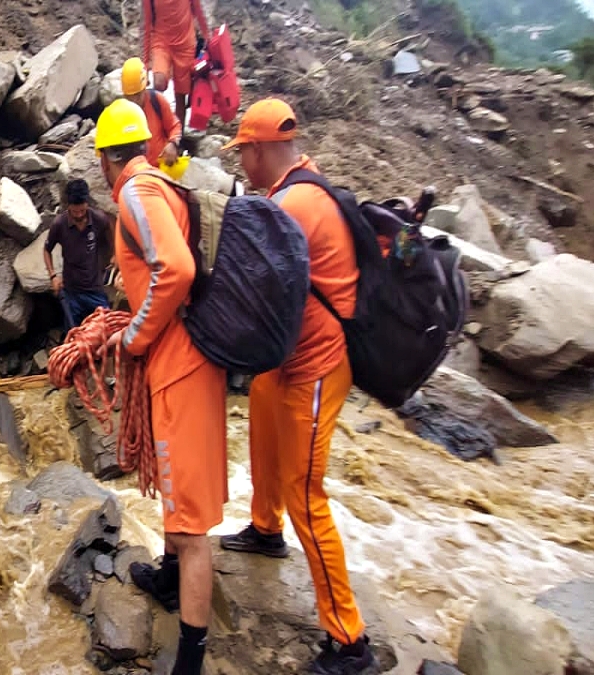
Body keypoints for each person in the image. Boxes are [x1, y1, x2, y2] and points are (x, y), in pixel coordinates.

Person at [219, 98, 378, 675]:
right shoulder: (299, 188)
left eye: (243, 154)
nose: (242, 165)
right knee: (260, 411)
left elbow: (245, 282)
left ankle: (349, 640)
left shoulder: (292, 203)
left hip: (315, 364)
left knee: (306, 492)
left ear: (260, 148)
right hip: (284, 359)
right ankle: (265, 526)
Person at [95, 99, 228, 675]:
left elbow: (176, 269)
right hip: (186, 360)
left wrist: (135, 338)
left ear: (105, 157)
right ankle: (170, 580)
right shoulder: (160, 182)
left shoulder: (133, 192)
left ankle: (191, 661)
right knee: (177, 490)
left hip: (181, 364)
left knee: (193, 525)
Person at [44, 179, 113, 330]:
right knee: (73, 333)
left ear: (87, 203)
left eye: (82, 211)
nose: (79, 215)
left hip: (95, 288)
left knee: (106, 328)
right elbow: (46, 250)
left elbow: (111, 229)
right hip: (71, 291)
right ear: (68, 205)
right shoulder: (59, 224)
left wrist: (114, 255)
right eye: (74, 212)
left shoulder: (98, 219)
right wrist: (53, 276)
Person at [141, 0, 210, 128]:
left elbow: (200, 12)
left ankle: (178, 139)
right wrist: (144, 63)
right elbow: (146, 24)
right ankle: (157, 127)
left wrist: (208, 39)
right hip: (161, 43)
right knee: (159, 83)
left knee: (180, 95)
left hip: (185, 44)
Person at [120, 57, 182, 168]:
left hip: (161, 168)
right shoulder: (121, 114)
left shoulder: (156, 100)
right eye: (130, 97)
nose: (134, 100)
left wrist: (173, 143)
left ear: (145, 87)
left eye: (138, 95)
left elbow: (174, 126)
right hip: (137, 172)